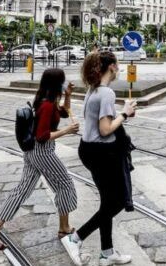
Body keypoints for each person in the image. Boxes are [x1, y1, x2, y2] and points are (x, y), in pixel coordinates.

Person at [0, 69, 79, 250]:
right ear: (56, 83)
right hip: (43, 152)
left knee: (21, 190)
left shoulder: (45, 99)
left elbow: (63, 113)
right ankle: (64, 228)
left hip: (32, 153)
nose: (65, 83)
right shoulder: (47, 105)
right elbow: (42, 136)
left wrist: (68, 95)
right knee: (65, 184)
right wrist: (67, 131)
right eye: (63, 81)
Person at [62, 51, 137, 266]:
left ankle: (107, 252)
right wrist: (124, 113)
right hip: (102, 152)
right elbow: (105, 130)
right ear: (111, 67)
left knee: (107, 202)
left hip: (88, 149)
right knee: (119, 201)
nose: (120, 68)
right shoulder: (106, 93)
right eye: (118, 64)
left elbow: (99, 125)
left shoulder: (93, 89)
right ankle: (75, 238)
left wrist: (122, 116)